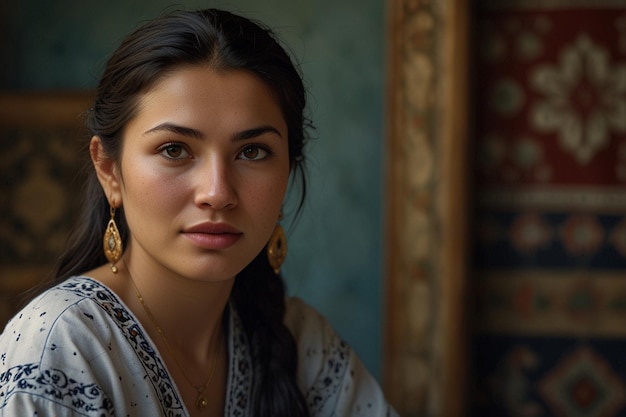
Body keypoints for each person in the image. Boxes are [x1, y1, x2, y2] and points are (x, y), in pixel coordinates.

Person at [0, 8, 397, 417]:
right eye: (174, 150)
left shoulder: (301, 342)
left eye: (252, 152)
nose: (217, 192)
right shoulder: (63, 344)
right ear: (109, 170)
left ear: (288, 171)